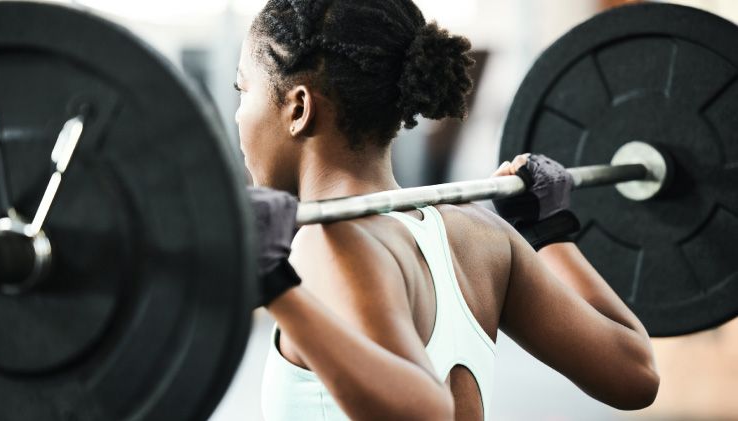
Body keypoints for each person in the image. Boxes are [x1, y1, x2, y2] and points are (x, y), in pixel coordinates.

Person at [240, 1, 659, 420]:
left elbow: (427, 413)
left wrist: (276, 285)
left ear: (298, 108)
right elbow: (634, 371)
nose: (239, 116)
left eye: (242, 91)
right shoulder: (481, 233)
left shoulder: (328, 242)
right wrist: (550, 230)